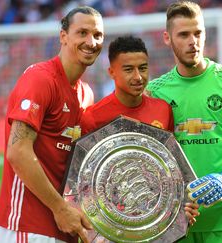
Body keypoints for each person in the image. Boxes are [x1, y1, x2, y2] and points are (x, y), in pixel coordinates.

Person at [146, 1, 222, 242]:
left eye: (198, 33)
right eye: (184, 35)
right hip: (175, 223)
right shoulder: (154, 92)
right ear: (167, 38)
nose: (193, 41)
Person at [0, 6, 103, 243]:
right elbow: (18, 151)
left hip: (64, 225)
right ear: (63, 36)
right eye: (82, 33)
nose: (91, 41)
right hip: (28, 225)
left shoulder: (86, 94)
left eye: (97, 35)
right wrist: (60, 208)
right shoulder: (40, 79)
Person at [80, 35, 199, 225]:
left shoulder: (163, 109)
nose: (138, 77)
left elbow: (171, 168)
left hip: (155, 219)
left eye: (143, 68)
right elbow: (84, 181)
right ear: (112, 72)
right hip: (115, 221)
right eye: (128, 70)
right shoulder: (93, 117)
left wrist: (183, 205)